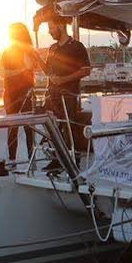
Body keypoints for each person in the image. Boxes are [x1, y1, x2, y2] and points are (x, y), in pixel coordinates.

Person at [42, 19, 91, 168]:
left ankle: (72, 160)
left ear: (60, 26)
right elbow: (48, 71)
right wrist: (36, 59)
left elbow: (86, 70)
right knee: (53, 127)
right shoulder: (52, 48)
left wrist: (63, 80)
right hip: (52, 95)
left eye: (51, 27)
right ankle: (57, 159)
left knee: (68, 127)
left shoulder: (77, 47)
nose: (49, 31)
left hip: (69, 95)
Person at [0, 22, 38, 160]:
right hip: (10, 92)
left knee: (29, 127)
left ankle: (30, 159)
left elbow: (29, 65)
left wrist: (14, 71)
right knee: (12, 127)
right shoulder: (7, 52)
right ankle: (12, 160)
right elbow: (2, 73)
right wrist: (20, 70)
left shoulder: (28, 51)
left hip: (26, 92)